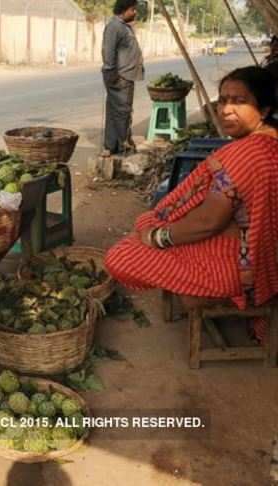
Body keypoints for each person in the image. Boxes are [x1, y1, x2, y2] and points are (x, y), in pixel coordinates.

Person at [105, 66, 278, 343]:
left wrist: (158, 237)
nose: (226, 110)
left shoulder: (245, 155)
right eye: (222, 100)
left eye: (239, 101)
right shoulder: (269, 144)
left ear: (265, 109)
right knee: (146, 225)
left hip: (241, 268)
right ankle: (197, 290)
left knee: (121, 256)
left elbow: (208, 222)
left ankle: (204, 295)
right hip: (263, 261)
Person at [101, 0, 144, 155]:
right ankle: (122, 144)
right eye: (133, 9)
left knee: (116, 111)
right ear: (124, 10)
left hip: (125, 76)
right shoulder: (114, 27)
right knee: (122, 112)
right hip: (120, 77)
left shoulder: (124, 27)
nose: (135, 12)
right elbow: (108, 53)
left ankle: (112, 145)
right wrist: (112, 74)